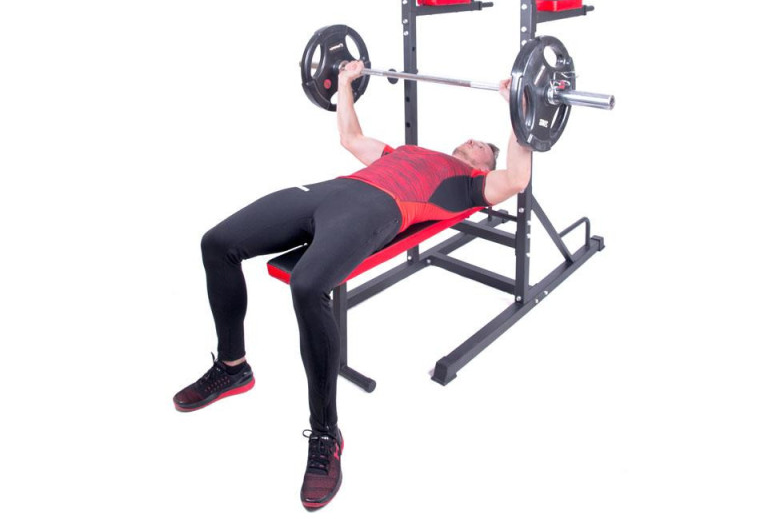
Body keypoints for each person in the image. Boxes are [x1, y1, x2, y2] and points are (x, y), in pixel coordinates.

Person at [172, 60, 532, 510]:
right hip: (331, 190)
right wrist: (344, 82)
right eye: (473, 139)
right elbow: (350, 137)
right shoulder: (407, 151)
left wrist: (519, 111)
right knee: (217, 243)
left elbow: (517, 178)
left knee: (307, 285)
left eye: (483, 147)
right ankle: (232, 367)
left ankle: (326, 434)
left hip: (376, 211)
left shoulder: (470, 186)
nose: (475, 142)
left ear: (485, 165)